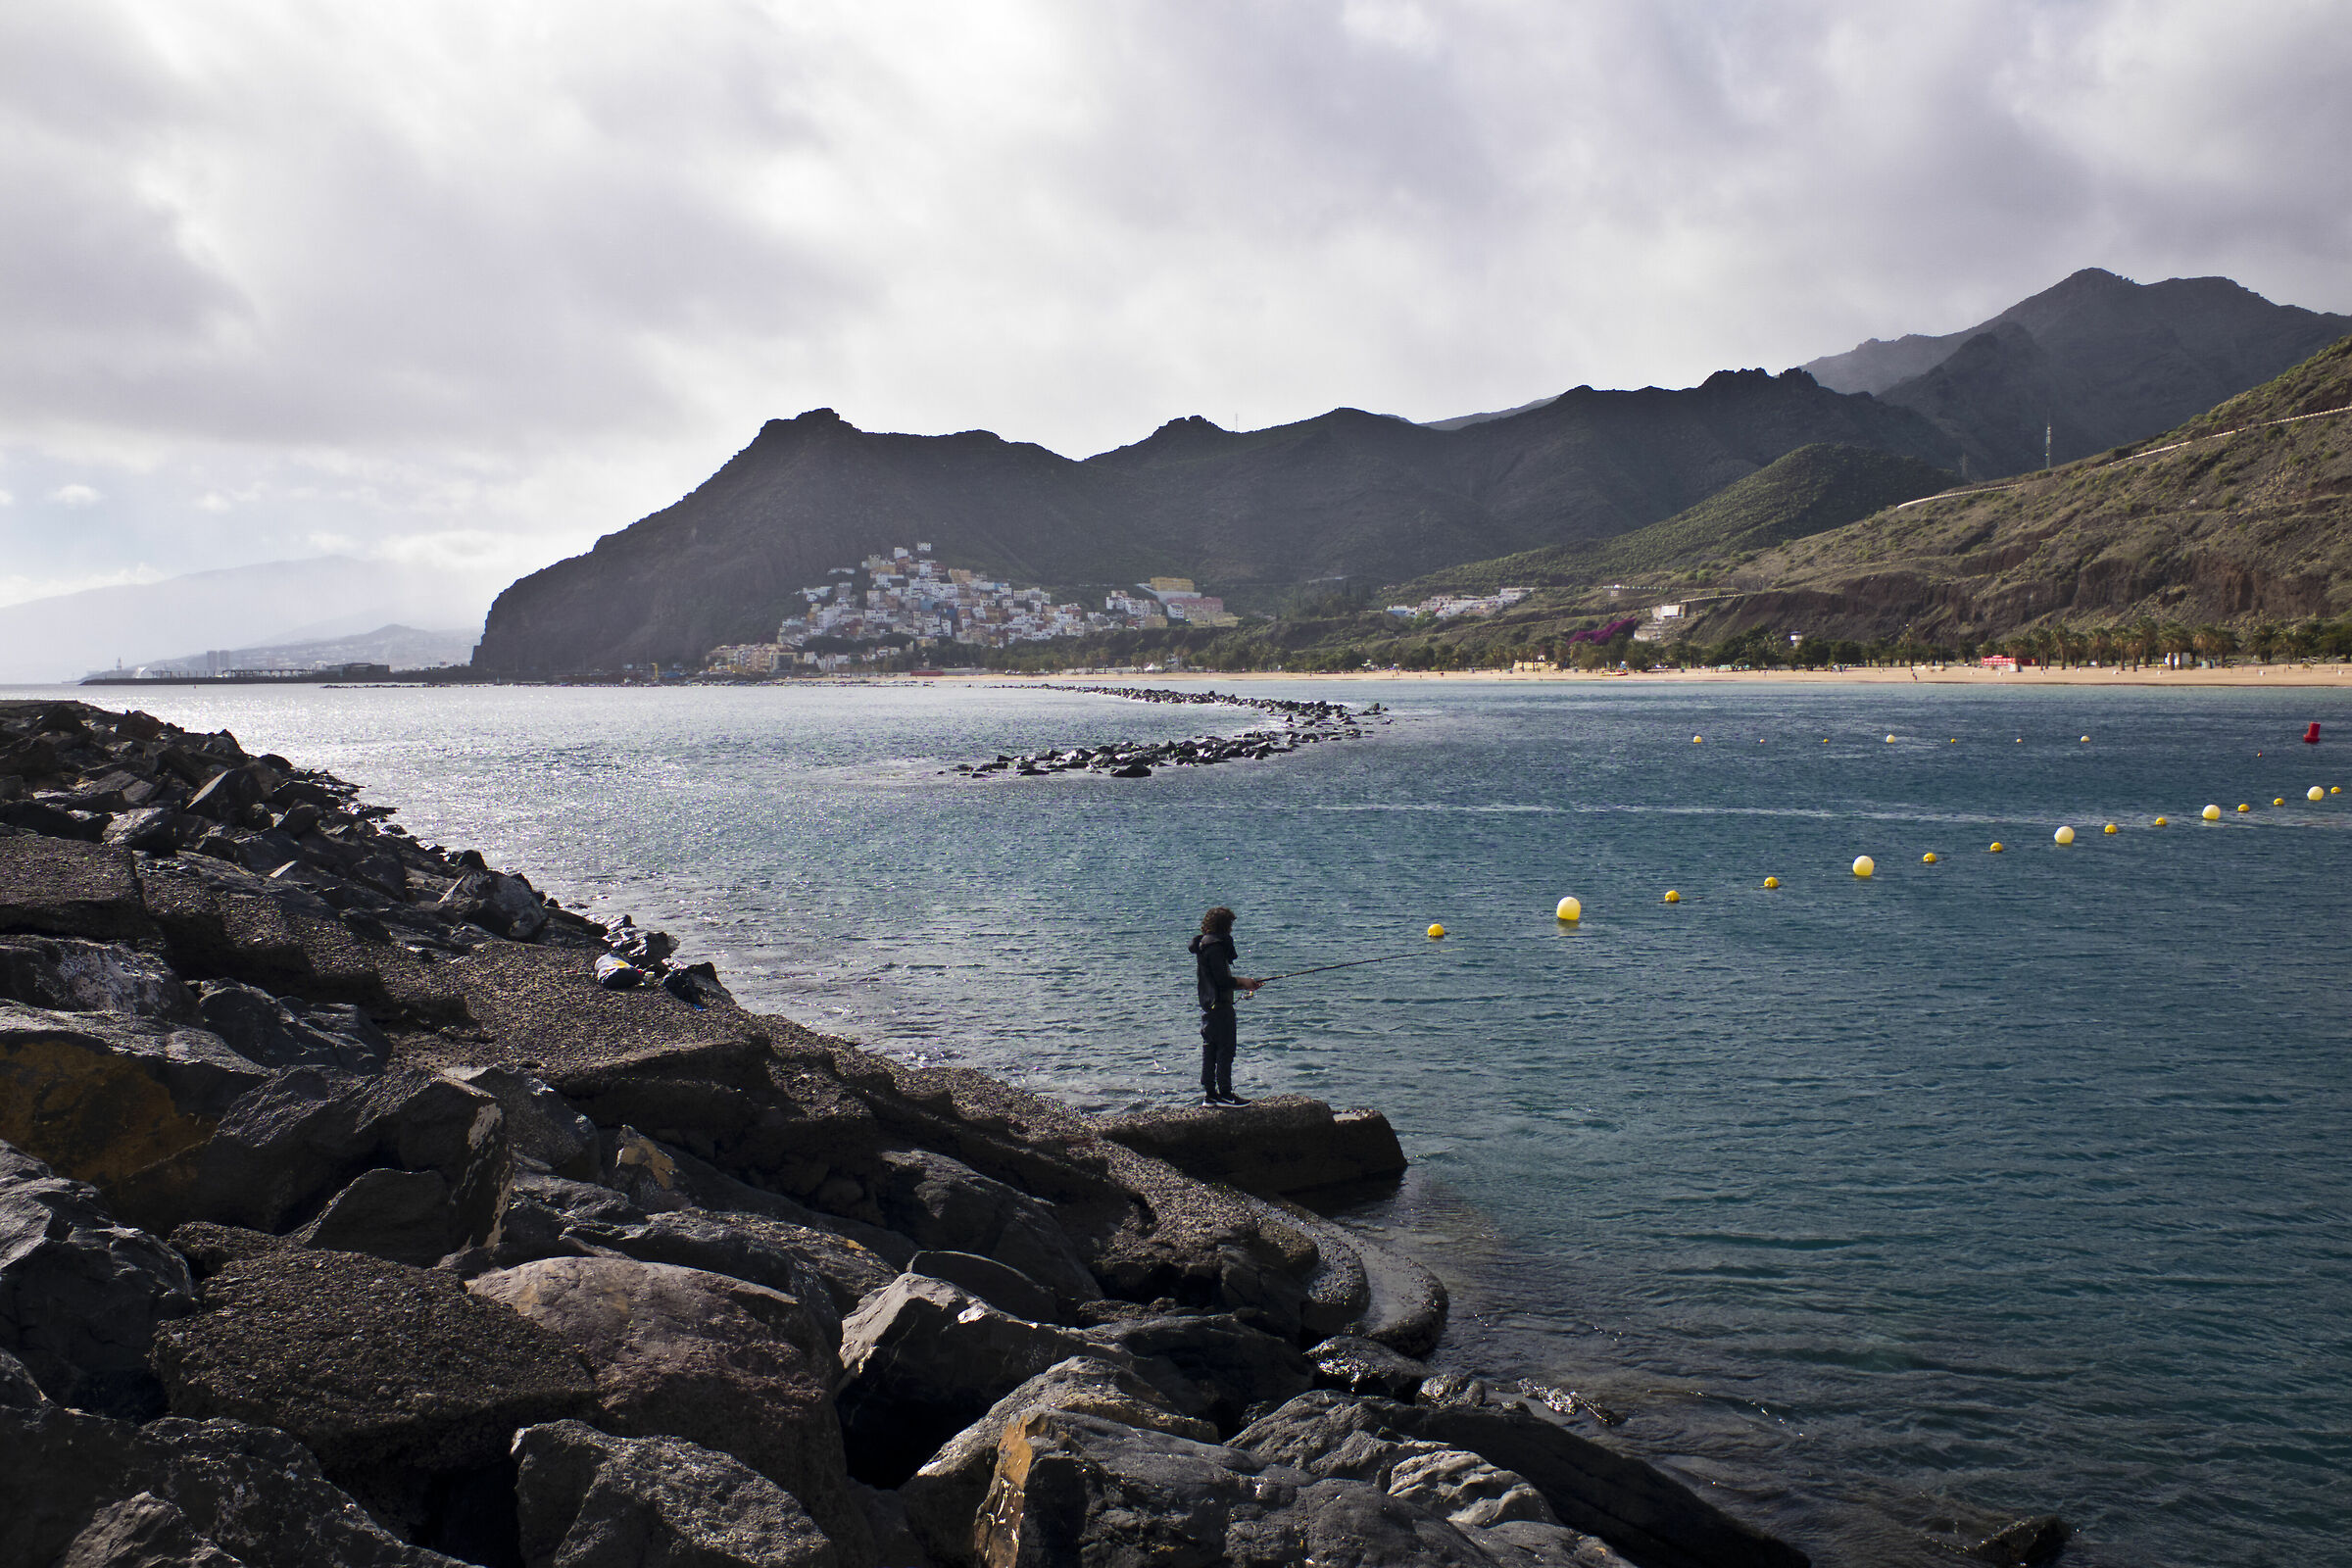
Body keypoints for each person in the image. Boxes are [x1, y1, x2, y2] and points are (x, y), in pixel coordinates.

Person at [1189, 906, 1262, 1105]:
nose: (1231, 929)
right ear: (1225, 926)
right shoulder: (1216, 947)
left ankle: (1210, 1095)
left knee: (1210, 1049)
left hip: (1208, 1007)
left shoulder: (1203, 945)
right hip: (1221, 1009)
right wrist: (1243, 981)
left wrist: (1245, 984)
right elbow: (1222, 980)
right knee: (1225, 1051)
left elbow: (1215, 981)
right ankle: (1226, 1094)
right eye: (1230, 924)